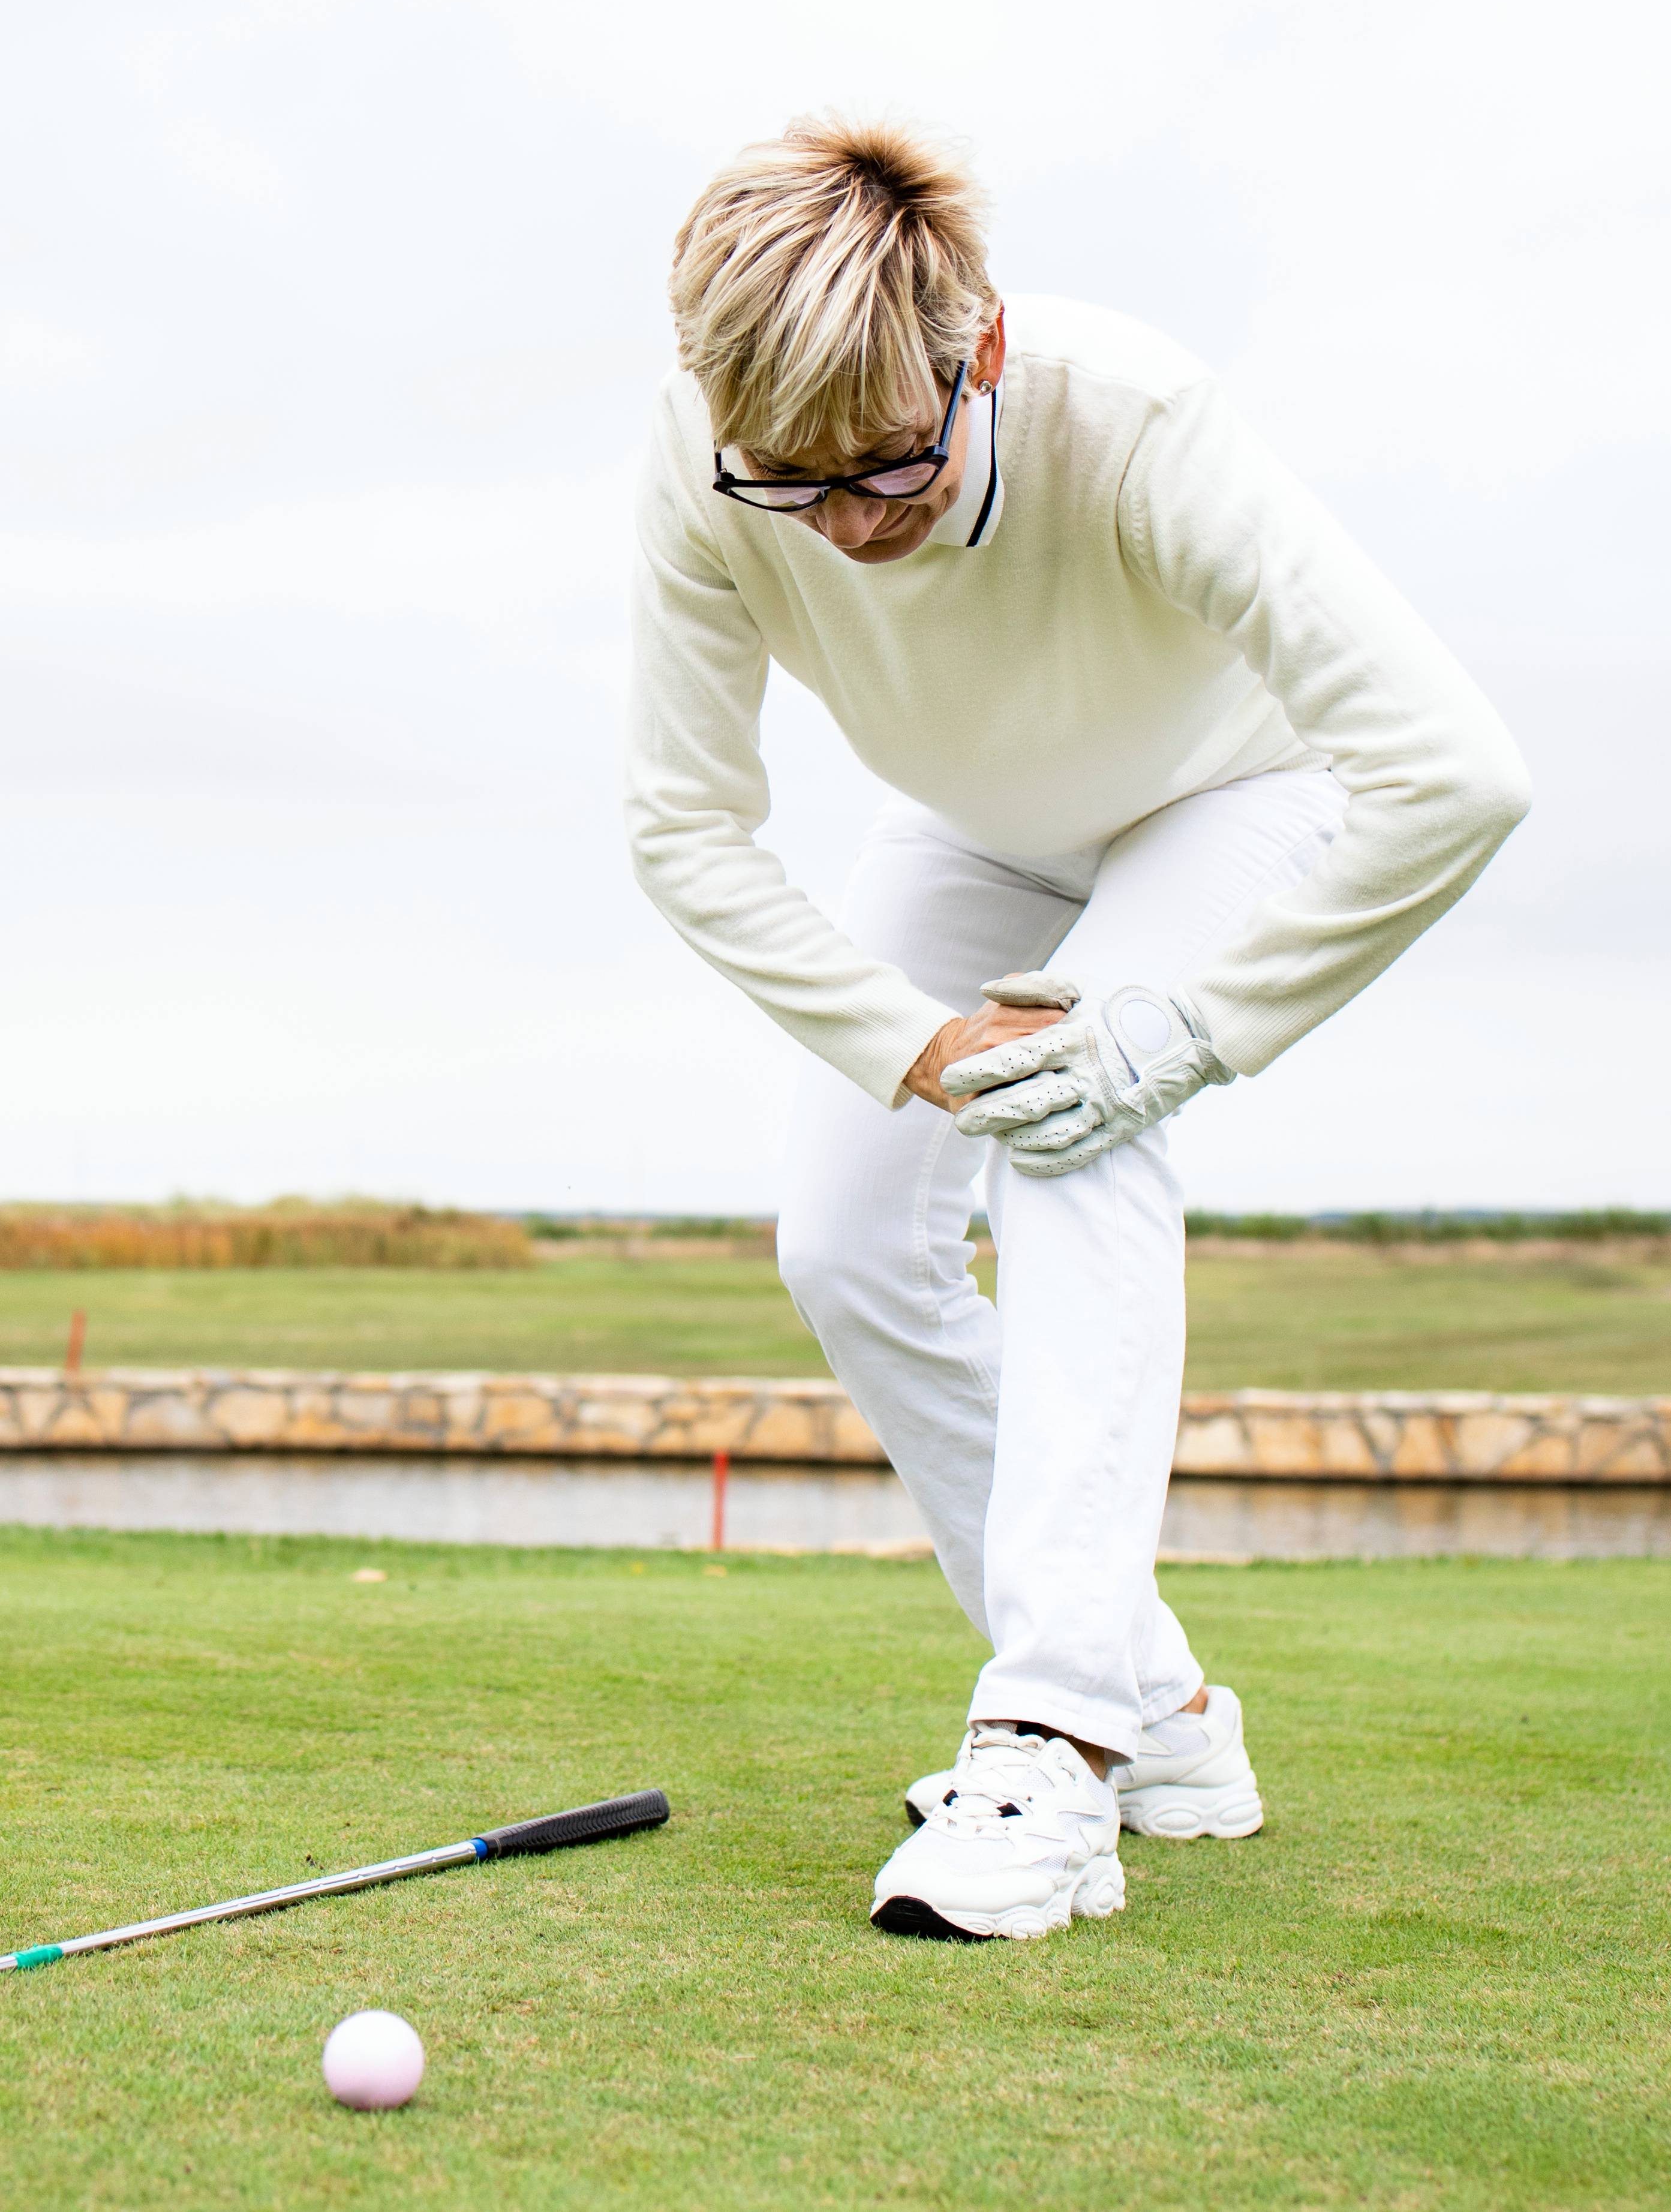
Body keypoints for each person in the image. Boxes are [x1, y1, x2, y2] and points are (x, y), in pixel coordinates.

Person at [624, 115, 1532, 1940]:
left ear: (986, 354)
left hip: (1224, 790)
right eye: (789, 486)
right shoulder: (711, 461)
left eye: (888, 464)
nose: (850, 530)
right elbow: (683, 825)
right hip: (968, 817)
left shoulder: (1138, 419)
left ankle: (1050, 1743)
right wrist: (907, 1040)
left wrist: (1191, 1026)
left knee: (1072, 1120)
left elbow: (1457, 773)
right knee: (846, 1241)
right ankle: (1170, 1714)